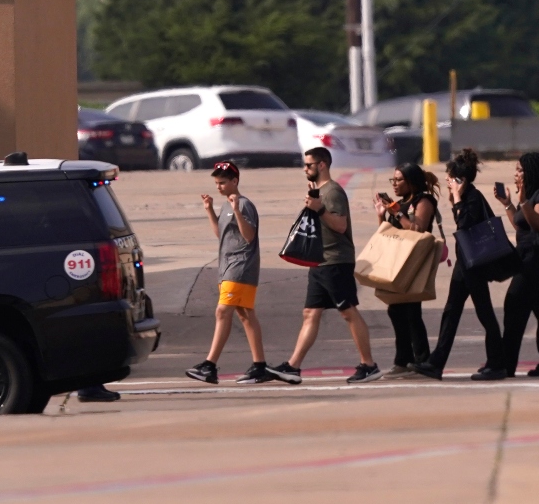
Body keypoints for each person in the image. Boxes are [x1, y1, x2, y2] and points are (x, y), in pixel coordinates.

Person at [267, 147, 382, 384]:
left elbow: (340, 225)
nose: (304, 169)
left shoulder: (333, 192)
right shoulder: (320, 192)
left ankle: (369, 365)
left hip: (335, 261)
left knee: (348, 311)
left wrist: (318, 208)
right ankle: (293, 366)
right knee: (310, 313)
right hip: (320, 261)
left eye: (308, 165)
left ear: (322, 165)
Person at [412, 148, 506, 381]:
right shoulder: (466, 197)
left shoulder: (471, 198)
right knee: (451, 312)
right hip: (465, 263)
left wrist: (459, 199)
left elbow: (464, 225)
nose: (446, 180)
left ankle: (497, 363)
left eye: (450, 177)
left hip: (474, 264)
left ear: (460, 180)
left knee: (484, 312)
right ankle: (436, 362)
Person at [186, 161, 269, 384]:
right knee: (245, 315)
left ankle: (209, 365)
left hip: (240, 266)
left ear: (235, 181)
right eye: (216, 183)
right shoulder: (226, 206)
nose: (219, 187)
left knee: (223, 311)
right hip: (227, 267)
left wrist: (236, 212)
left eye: (223, 182)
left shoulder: (243, 205)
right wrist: (210, 210)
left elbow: (249, 235)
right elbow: (221, 234)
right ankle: (259, 365)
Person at [496, 153, 539, 378]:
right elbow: (521, 226)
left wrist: (523, 200)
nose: (516, 175)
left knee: (514, 305)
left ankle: (506, 364)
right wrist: (508, 204)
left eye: (520, 170)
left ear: (532, 172)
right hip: (528, 257)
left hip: (537, 262)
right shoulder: (533, 194)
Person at [373, 164, 440, 377]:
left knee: (411, 311)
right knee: (395, 310)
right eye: (392, 180)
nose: (394, 184)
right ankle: (403, 360)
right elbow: (387, 233)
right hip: (397, 263)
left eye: (399, 180)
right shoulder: (400, 204)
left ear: (411, 181)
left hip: (414, 263)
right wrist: (382, 216)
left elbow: (418, 229)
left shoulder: (424, 201)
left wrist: (396, 212)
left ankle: (421, 360)